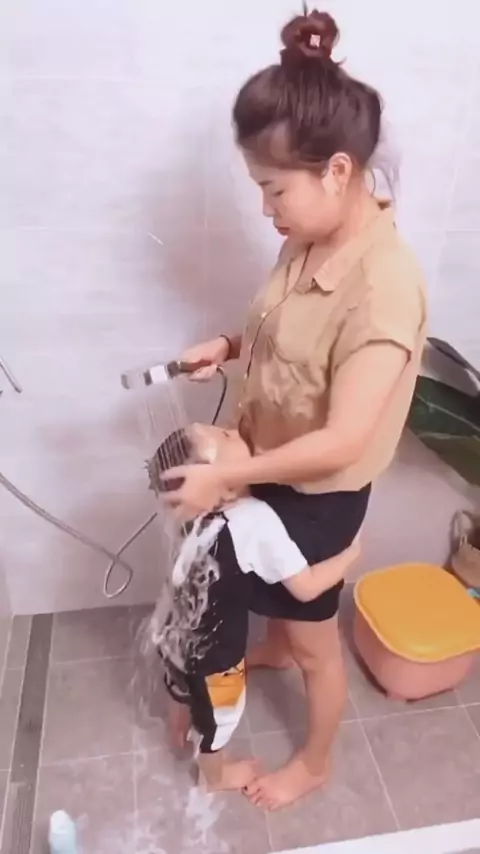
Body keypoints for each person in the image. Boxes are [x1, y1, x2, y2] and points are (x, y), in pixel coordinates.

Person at [162, 8, 428, 809]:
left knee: (316, 645)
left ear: (337, 171)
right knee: (262, 587)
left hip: (318, 496)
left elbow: (342, 440)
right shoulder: (306, 238)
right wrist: (228, 344)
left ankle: (314, 761)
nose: (265, 208)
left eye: (274, 189)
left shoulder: (385, 288)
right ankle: (273, 640)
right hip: (271, 458)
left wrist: (227, 476)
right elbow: (291, 336)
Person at [148, 423, 360, 792]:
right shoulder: (255, 519)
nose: (233, 428)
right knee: (217, 722)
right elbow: (307, 588)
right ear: (226, 487)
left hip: (170, 631)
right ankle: (215, 776)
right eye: (226, 437)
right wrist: (350, 555)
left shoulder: (190, 513)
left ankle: (178, 727)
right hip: (215, 658)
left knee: (180, 685)